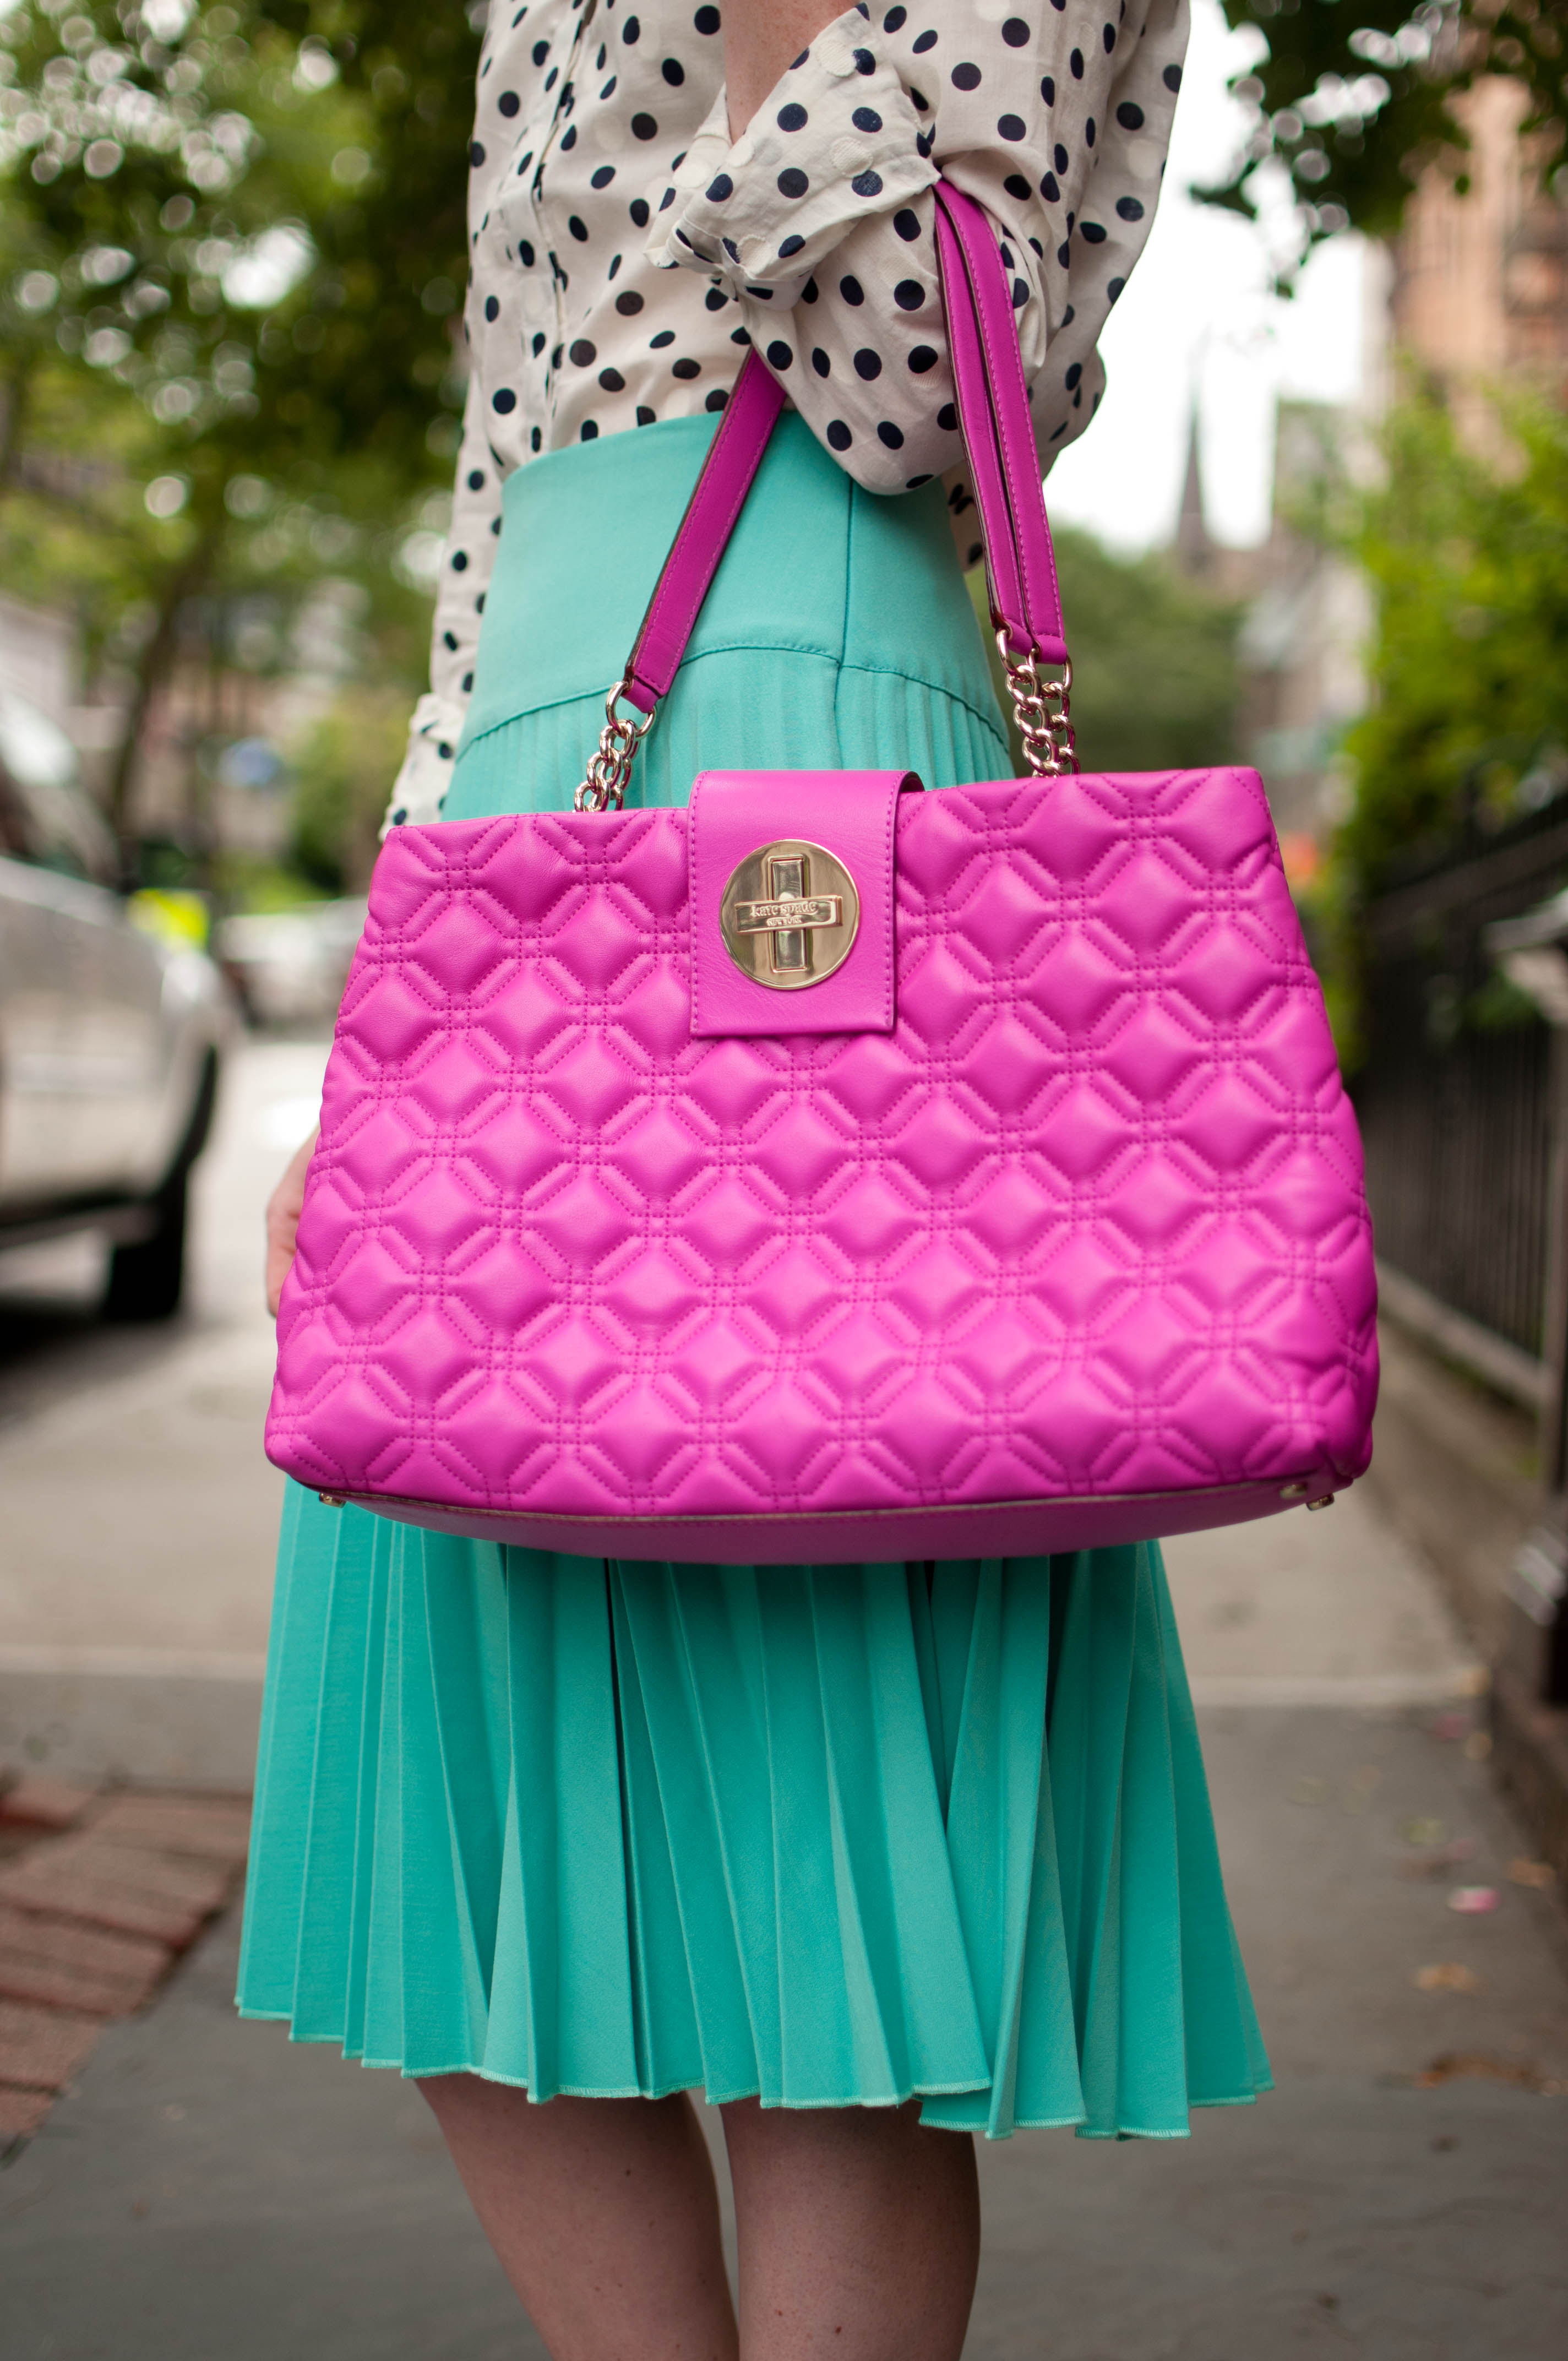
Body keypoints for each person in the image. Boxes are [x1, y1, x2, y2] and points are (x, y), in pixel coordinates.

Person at [245, 5, 1270, 2356]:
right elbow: (500, 476)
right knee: (450, 1801)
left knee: (832, 1905)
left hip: (829, 734)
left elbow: (920, 387)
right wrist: (384, 1006)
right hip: (529, 773)